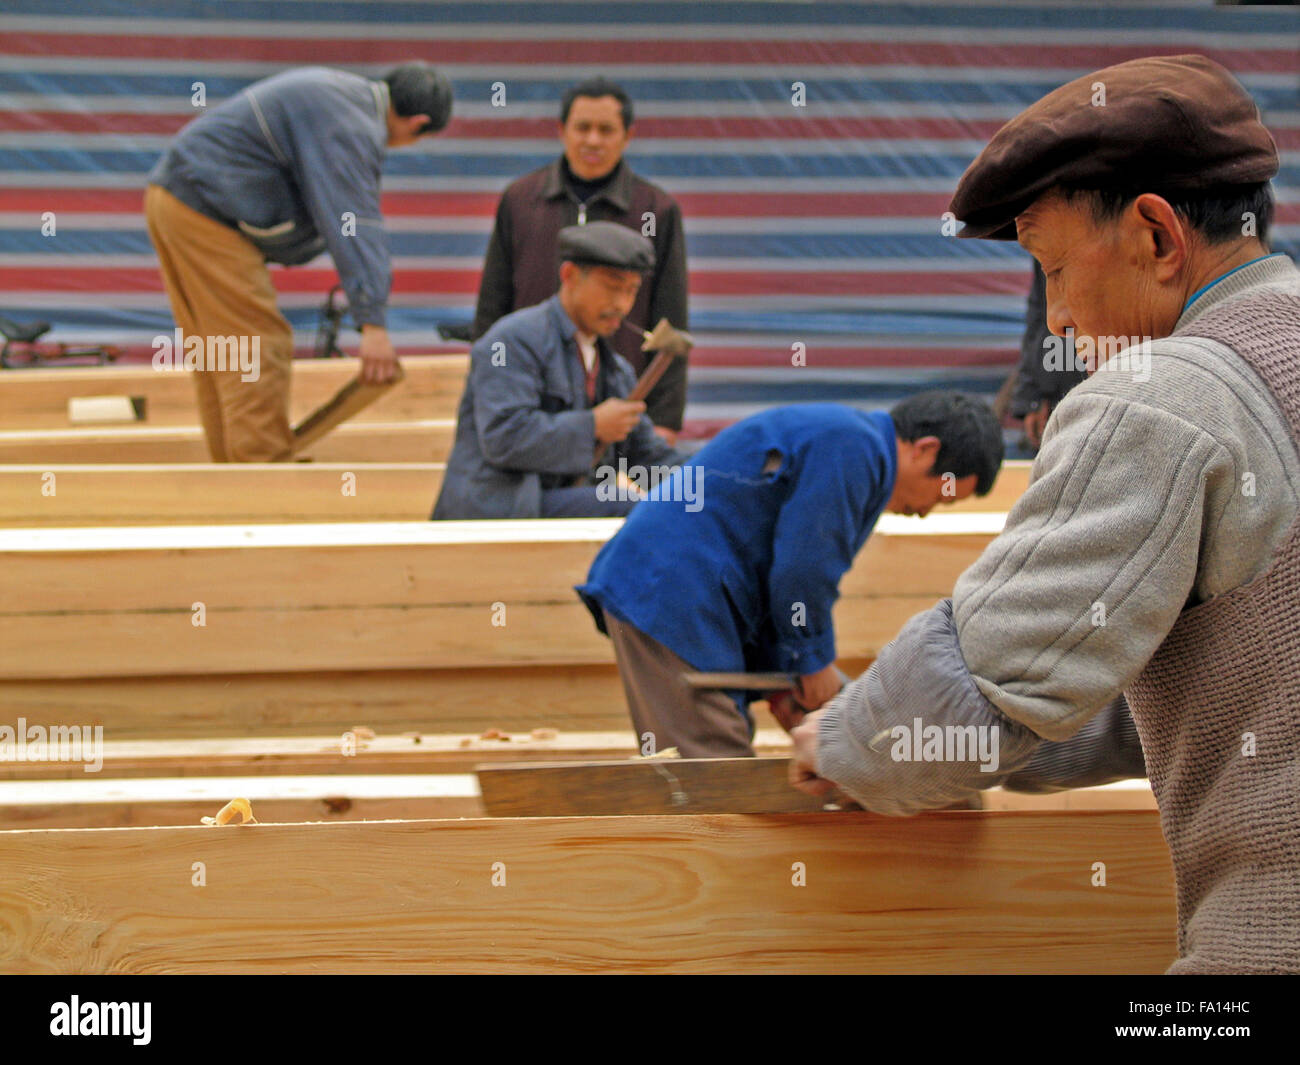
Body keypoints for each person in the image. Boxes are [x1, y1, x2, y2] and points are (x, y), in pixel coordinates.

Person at [790, 54, 1299, 974]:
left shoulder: (1157, 398)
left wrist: (848, 741)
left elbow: (980, 682)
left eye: (1055, 269)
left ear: (1156, 235)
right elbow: (1186, 676)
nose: (1057, 319)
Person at [576, 393, 1004, 758]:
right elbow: (804, 567)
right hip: (667, 591)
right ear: (925, 449)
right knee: (714, 778)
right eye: (943, 495)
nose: (927, 510)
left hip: (679, 590)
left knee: (721, 763)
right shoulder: (855, 447)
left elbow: (773, 569)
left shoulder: (852, 444)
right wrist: (809, 661)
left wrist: (785, 677)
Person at [145, 62, 453, 461]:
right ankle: (263, 473)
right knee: (258, 342)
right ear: (418, 123)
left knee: (221, 350)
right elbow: (353, 221)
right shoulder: (354, 124)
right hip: (203, 211)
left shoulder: (341, 96)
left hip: (174, 199)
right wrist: (372, 324)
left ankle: (231, 474)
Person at [472, 77, 689, 442]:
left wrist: (665, 422)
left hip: (619, 407)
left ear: (627, 136)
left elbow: (671, 320)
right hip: (531, 404)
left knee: (613, 498)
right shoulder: (520, 201)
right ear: (561, 130)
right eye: (582, 128)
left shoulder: (656, 211)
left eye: (606, 130)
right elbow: (491, 308)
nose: (592, 140)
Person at [432, 222, 683, 520]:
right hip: (499, 507)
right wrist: (593, 426)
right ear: (570, 276)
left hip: (558, 503)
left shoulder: (616, 371)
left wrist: (711, 479)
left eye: (631, 291)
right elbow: (503, 438)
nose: (622, 304)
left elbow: (648, 459)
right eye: (612, 287)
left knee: (682, 504)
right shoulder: (511, 341)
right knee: (620, 503)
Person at [1010, 262, 1087, 451]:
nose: (1057, 320)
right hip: (1055, 392)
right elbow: (1038, 314)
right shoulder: (1042, 240)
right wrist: (1032, 395)